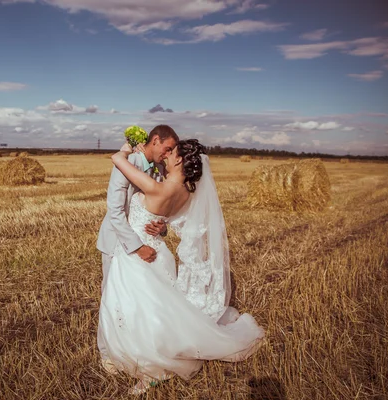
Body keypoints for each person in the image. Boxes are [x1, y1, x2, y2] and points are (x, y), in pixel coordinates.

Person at [98, 139, 265, 395]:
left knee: (134, 308)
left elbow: (117, 160)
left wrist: (129, 149)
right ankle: (150, 352)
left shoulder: (157, 187)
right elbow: (163, 217)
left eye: (171, 151)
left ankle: (155, 365)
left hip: (139, 254)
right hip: (159, 252)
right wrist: (162, 226)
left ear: (178, 160)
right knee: (155, 308)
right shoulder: (184, 192)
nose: (166, 154)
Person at [96, 125, 179, 372]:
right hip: (118, 244)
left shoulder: (158, 170)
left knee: (141, 301)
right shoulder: (128, 162)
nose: (168, 154)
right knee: (112, 301)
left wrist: (161, 228)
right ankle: (107, 354)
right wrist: (136, 247)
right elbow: (115, 211)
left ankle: (135, 349)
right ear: (155, 140)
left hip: (147, 244)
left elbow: (157, 208)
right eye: (167, 148)